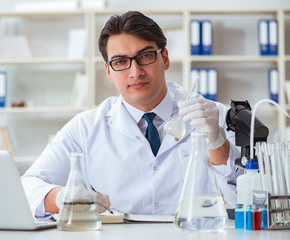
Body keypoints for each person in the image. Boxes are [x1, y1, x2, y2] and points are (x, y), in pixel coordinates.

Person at [21, 11, 241, 218]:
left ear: (164, 58)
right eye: (120, 62)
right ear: (108, 71)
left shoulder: (214, 117)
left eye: (145, 56)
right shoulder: (85, 128)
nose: (135, 72)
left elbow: (245, 201)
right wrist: (62, 198)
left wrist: (217, 142)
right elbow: (28, 186)